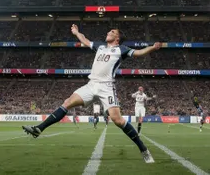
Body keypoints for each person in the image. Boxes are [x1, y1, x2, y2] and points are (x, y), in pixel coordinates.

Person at [23, 25, 162, 163]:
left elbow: (139, 53)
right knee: (67, 102)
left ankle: (143, 149)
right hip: (91, 85)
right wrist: (77, 32)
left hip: (107, 87)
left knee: (118, 120)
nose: (108, 32)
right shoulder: (100, 47)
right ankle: (39, 129)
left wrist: (152, 48)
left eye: (112, 32)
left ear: (117, 38)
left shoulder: (121, 49)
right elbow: (85, 40)